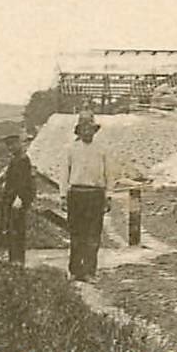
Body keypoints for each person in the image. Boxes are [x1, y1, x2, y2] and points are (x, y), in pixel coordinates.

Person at [61, 110, 110, 281]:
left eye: (90, 128)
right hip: (76, 194)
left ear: (94, 130)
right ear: (79, 130)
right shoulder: (70, 149)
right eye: (84, 128)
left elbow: (109, 174)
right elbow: (64, 174)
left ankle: (90, 272)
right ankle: (75, 271)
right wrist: (63, 196)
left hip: (95, 195)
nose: (87, 131)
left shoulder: (102, 149)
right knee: (76, 234)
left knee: (93, 235)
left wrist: (108, 196)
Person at [0, 122, 33, 265]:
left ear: (19, 143)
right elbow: (11, 176)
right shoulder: (15, 160)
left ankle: (18, 260)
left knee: (17, 229)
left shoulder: (23, 160)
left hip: (18, 199)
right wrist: (4, 176)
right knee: (11, 229)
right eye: (8, 145)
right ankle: (14, 259)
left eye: (13, 144)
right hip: (10, 198)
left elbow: (24, 181)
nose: (11, 147)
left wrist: (20, 198)